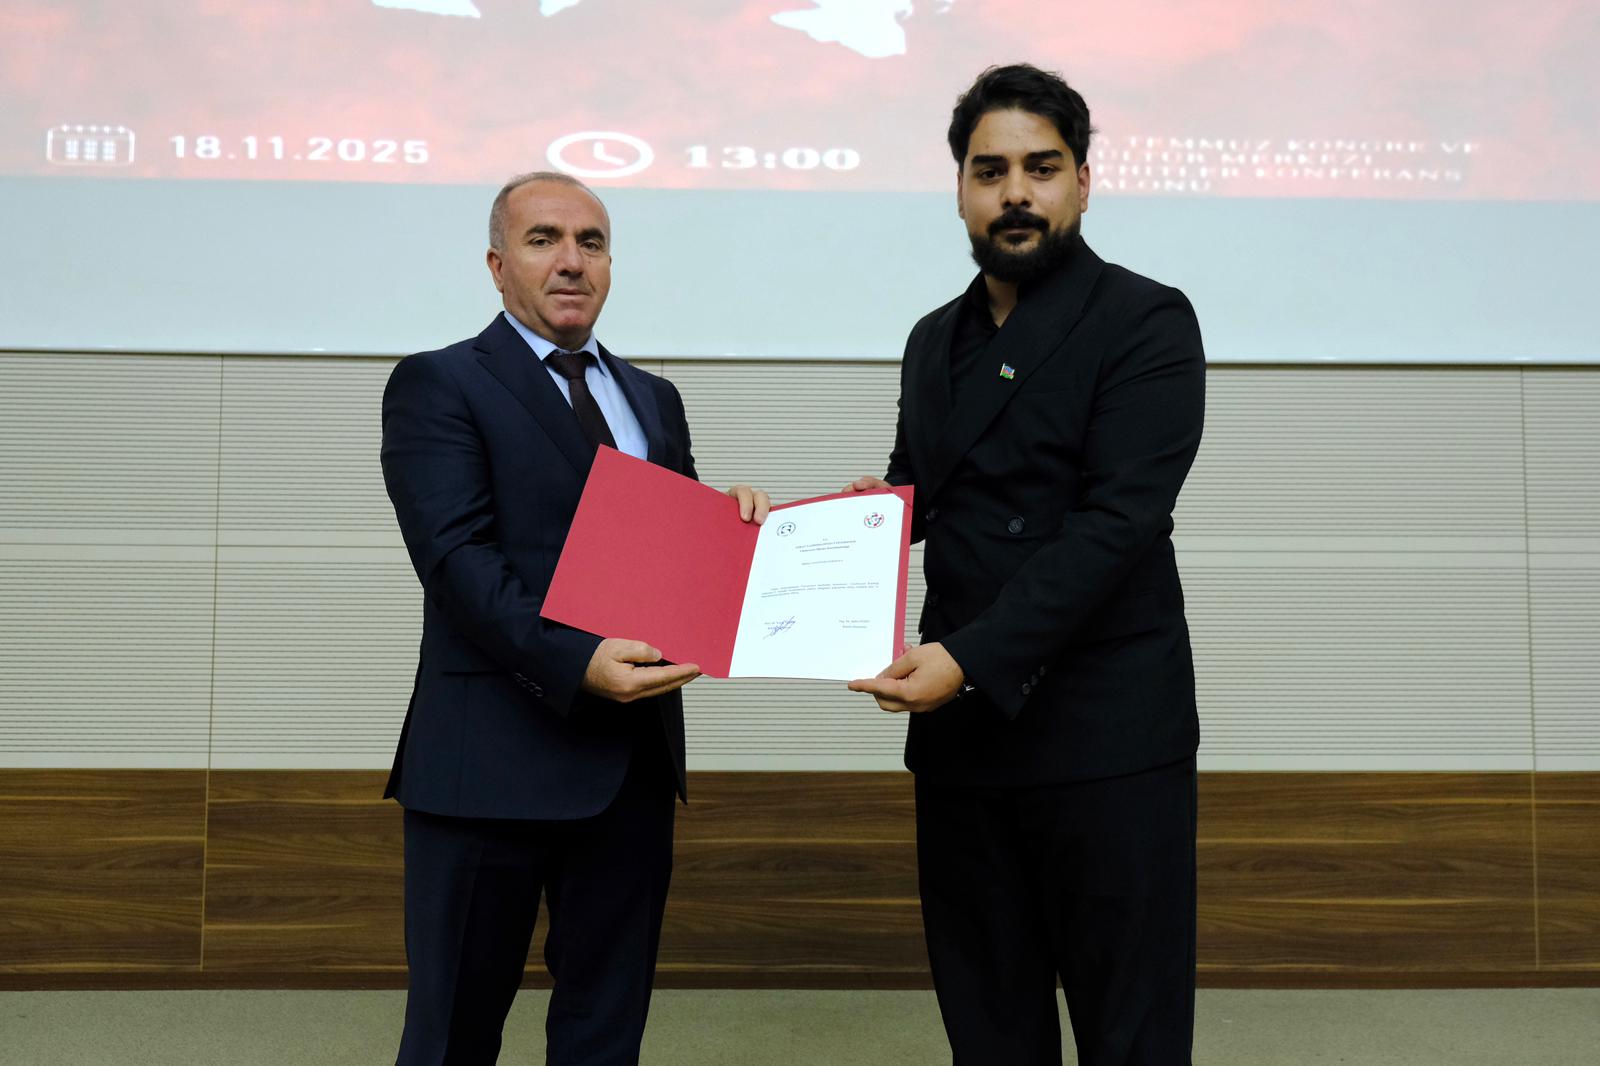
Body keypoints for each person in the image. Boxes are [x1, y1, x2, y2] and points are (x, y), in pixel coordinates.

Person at [846, 64, 1206, 1065]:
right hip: (963, 741)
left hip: (1104, 731)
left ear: (1082, 182)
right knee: (989, 1024)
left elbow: (1115, 525)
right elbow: (919, 489)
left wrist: (967, 657)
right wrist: (816, 531)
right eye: (989, 170)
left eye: (1040, 169)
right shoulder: (934, 338)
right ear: (959, 188)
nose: (1015, 192)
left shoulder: (1146, 320)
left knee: (1129, 1031)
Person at [380, 170, 768, 1065]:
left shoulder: (654, 398)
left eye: (591, 243)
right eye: (543, 239)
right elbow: (457, 561)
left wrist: (738, 529)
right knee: (451, 1037)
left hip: (629, 772)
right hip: (487, 768)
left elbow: (668, 560)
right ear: (496, 265)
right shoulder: (439, 382)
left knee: (604, 1035)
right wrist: (575, 660)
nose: (570, 261)